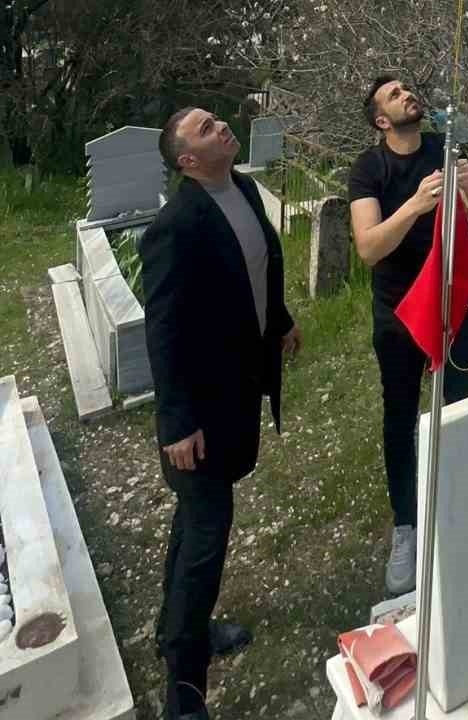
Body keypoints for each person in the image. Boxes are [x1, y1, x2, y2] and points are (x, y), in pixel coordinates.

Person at [141, 107, 302, 720]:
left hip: (236, 390)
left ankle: (176, 631)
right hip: (200, 413)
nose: (222, 129)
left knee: (194, 523)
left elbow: (255, 268)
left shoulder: (242, 188)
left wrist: (280, 321)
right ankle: (184, 693)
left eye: (217, 122)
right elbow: (163, 329)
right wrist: (177, 423)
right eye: (207, 130)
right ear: (187, 161)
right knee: (206, 539)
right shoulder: (176, 226)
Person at [348, 74, 468, 596]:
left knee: (461, 405)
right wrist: (414, 204)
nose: (408, 93)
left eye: (407, 88)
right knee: (402, 416)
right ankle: (407, 524)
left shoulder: (443, 147)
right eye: (394, 95)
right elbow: (368, 248)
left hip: (452, 303)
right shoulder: (370, 169)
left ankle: (460, 509)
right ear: (381, 121)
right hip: (400, 314)